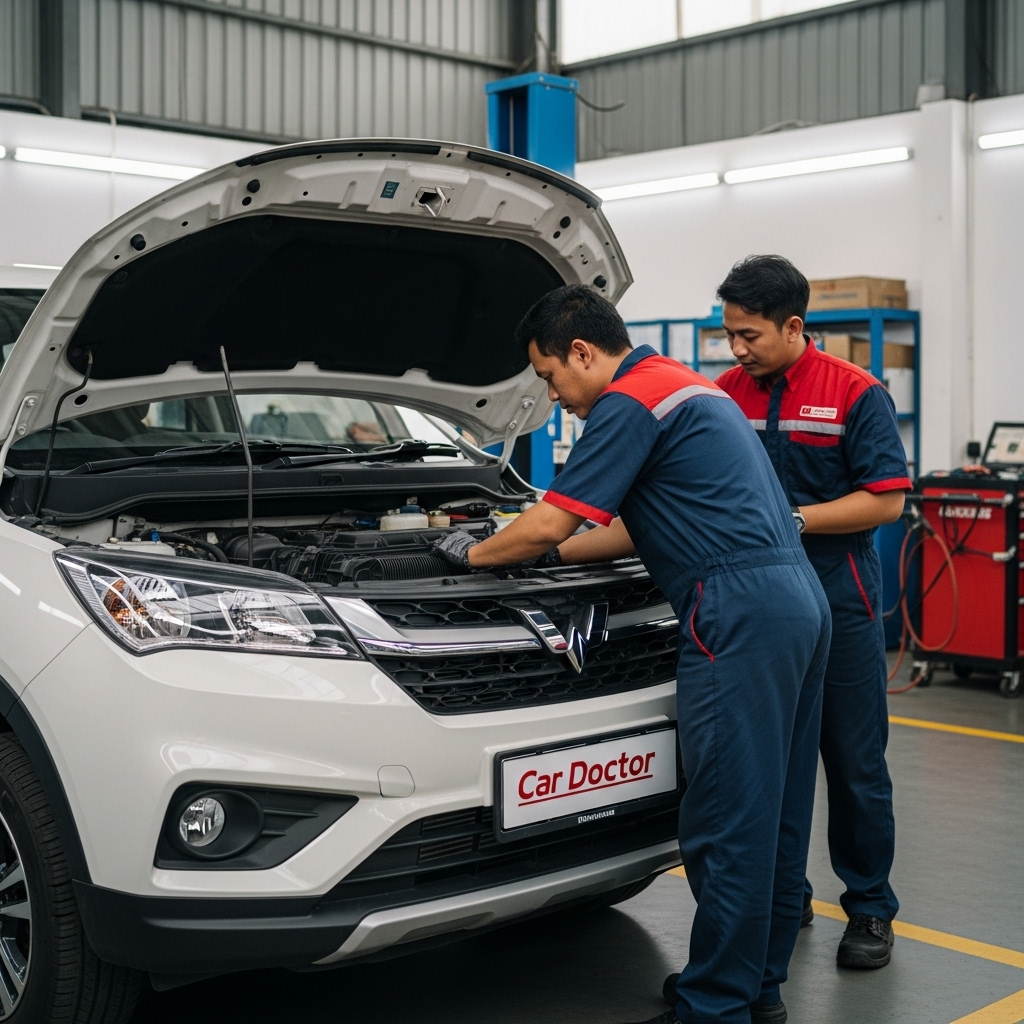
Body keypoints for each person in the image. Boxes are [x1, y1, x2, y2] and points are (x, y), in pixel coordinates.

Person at [433, 284, 831, 1024]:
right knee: (773, 814)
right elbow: (628, 527)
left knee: (725, 819)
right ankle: (758, 991)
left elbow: (547, 522)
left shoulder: (625, 403)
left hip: (737, 610)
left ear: (582, 352)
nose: (555, 397)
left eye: (550, 376)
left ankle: (714, 1006)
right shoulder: (681, 384)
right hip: (795, 600)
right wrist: (549, 555)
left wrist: (471, 554)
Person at [715, 255, 910, 971]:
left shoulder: (856, 392)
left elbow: (887, 500)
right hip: (759, 606)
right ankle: (784, 893)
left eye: (750, 335)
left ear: (794, 326)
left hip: (841, 597)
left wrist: (794, 520)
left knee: (853, 761)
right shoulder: (722, 395)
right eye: (730, 334)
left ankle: (870, 907)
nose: (737, 349)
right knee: (771, 759)